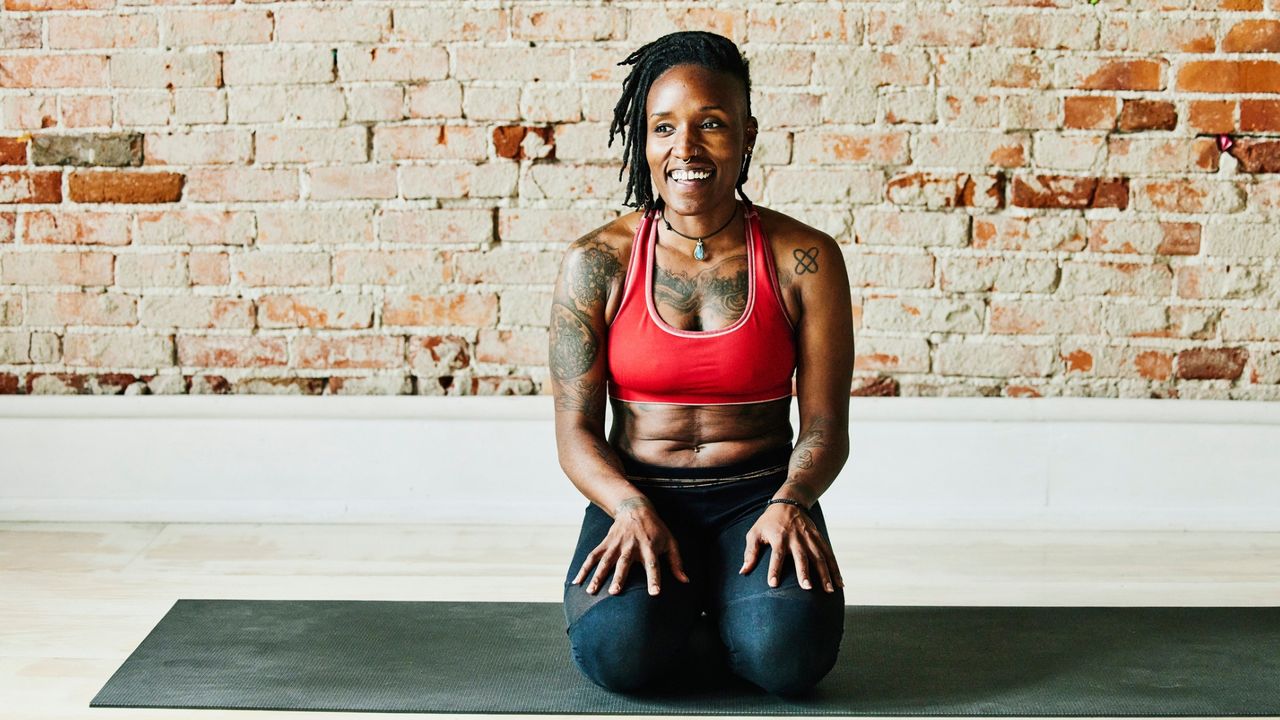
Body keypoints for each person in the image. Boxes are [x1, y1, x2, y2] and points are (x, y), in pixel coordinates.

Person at [548, 30, 854, 698]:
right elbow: (574, 433)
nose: (684, 149)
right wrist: (626, 507)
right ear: (644, 141)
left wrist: (790, 502)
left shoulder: (806, 258)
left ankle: (731, 606)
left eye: (710, 125)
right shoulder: (594, 261)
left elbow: (826, 426)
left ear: (746, 135)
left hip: (762, 495)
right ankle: (702, 609)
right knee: (616, 657)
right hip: (639, 495)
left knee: (790, 662)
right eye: (663, 128)